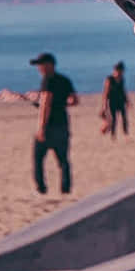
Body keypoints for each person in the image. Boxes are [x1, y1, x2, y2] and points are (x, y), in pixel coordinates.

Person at [30, 51, 77, 195]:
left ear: (49, 65)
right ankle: (66, 189)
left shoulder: (47, 80)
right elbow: (74, 100)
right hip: (62, 124)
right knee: (63, 160)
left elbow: (45, 104)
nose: (39, 69)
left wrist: (41, 128)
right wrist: (62, 102)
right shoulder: (64, 80)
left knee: (38, 158)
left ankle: (41, 188)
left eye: (41, 65)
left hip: (51, 126)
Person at [100, 61, 129, 137]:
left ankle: (125, 133)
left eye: (122, 71)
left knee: (124, 118)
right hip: (112, 101)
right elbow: (105, 93)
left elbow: (123, 90)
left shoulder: (122, 79)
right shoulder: (109, 79)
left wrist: (127, 101)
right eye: (120, 70)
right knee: (113, 119)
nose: (121, 72)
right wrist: (104, 105)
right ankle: (113, 135)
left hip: (120, 100)